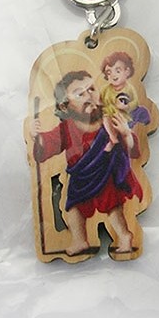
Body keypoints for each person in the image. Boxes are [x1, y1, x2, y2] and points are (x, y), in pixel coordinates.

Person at [31, 69, 141, 258]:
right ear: (65, 106)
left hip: (105, 172)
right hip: (81, 177)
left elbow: (132, 149)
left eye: (91, 89)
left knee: (113, 207)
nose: (89, 96)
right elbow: (48, 145)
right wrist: (37, 138)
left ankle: (124, 235)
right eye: (80, 94)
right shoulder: (66, 129)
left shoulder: (108, 119)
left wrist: (126, 134)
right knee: (73, 208)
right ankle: (79, 240)